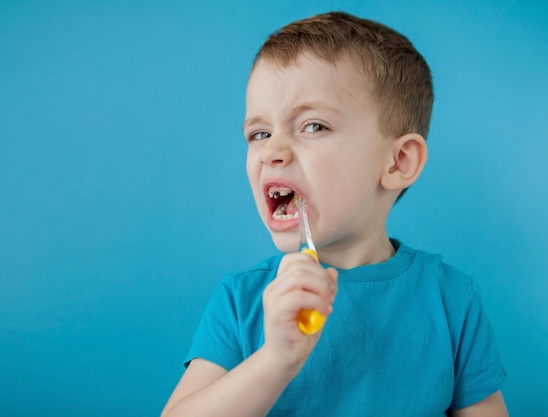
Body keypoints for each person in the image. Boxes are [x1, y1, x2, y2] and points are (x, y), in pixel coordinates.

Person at [161, 11, 507, 417]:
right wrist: (275, 361)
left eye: (313, 126)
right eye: (260, 133)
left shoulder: (451, 299)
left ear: (398, 162)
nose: (273, 150)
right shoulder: (244, 300)